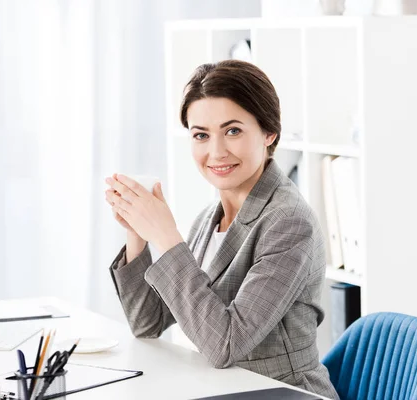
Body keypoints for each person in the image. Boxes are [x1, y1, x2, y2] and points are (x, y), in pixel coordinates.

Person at [104, 60, 339, 399]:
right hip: (224, 390)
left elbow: (225, 344)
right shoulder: (209, 219)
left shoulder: (288, 222)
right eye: (201, 135)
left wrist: (167, 237)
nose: (216, 152)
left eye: (232, 131)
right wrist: (138, 232)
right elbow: (147, 323)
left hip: (282, 393)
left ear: (268, 133)